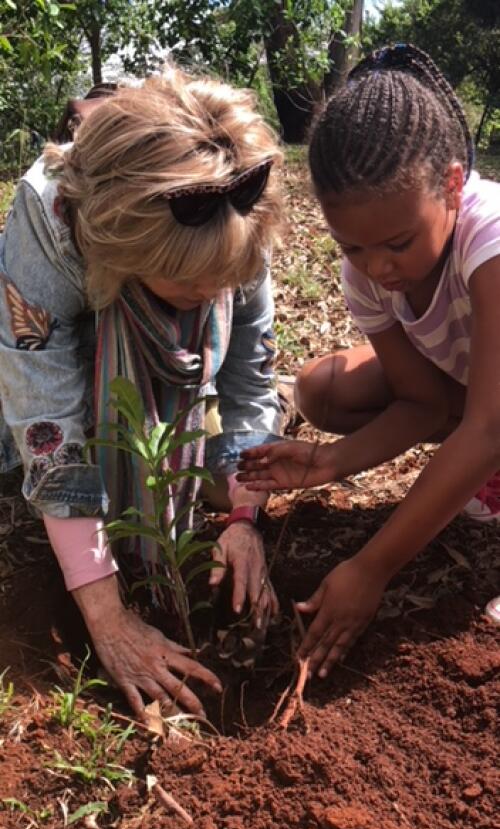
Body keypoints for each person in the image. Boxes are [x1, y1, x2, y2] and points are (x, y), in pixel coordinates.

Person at [0, 67, 284, 717]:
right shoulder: (49, 222)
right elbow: (45, 412)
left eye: (224, 285)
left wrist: (244, 519)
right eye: (193, 289)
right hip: (66, 341)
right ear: (126, 255)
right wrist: (108, 618)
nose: (214, 302)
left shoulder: (240, 202)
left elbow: (248, 377)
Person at [238, 44, 500, 679]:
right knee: (322, 390)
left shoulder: (489, 241)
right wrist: (328, 462)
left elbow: (488, 426)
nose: (380, 267)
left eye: (399, 244)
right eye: (352, 246)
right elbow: (424, 402)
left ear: (453, 183)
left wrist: (372, 566)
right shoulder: (368, 270)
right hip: (479, 392)